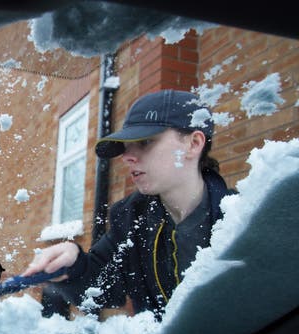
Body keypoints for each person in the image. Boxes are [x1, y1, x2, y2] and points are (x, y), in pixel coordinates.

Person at [21, 89, 235, 321]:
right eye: (127, 146)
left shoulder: (241, 218)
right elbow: (103, 287)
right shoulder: (132, 217)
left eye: (145, 141)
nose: (127, 156)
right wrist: (74, 264)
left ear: (193, 144)